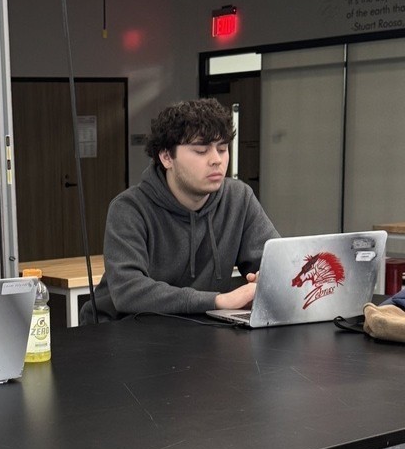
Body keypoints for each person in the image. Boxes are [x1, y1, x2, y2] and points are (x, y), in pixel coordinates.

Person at [80, 98, 279, 324]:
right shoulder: (129, 208)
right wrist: (217, 301)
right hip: (123, 333)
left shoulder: (239, 198)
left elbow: (276, 263)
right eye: (201, 151)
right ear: (166, 157)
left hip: (199, 331)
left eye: (222, 149)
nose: (216, 160)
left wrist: (268, 278)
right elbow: (128, 290)